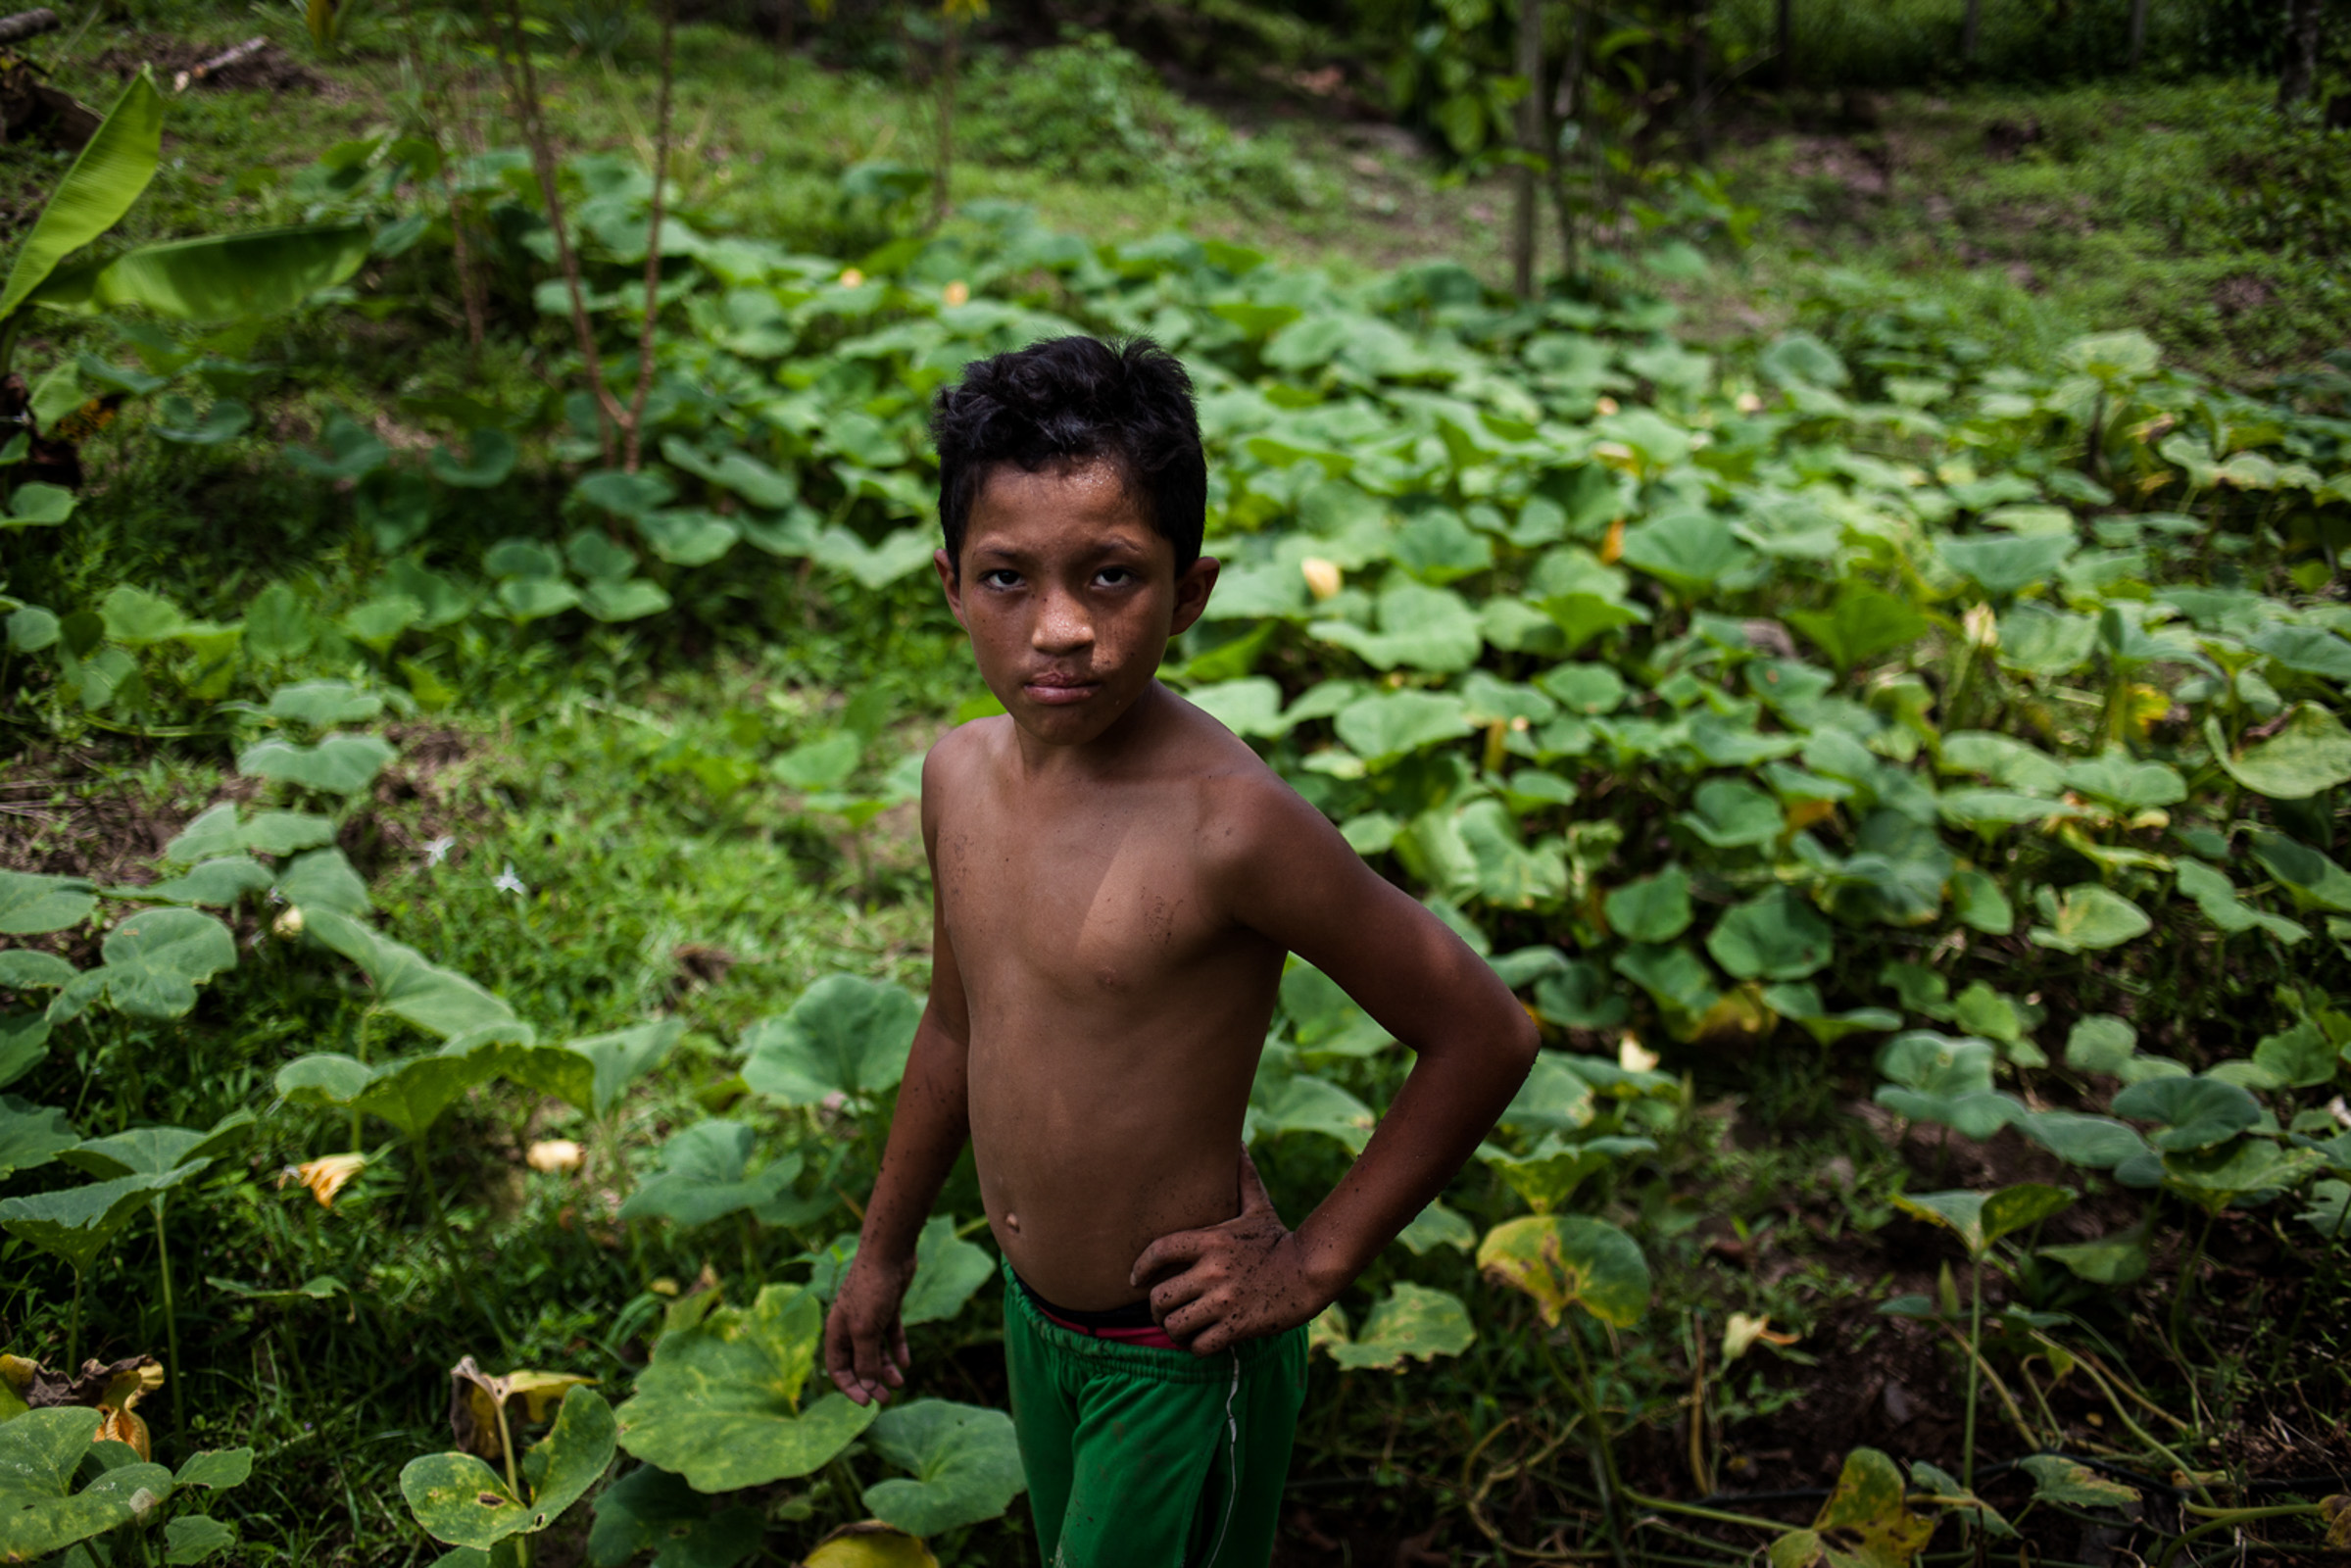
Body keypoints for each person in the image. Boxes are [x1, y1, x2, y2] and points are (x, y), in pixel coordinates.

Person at [822, 334, 1540, 1568]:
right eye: (1007, 579)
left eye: (1110, 576)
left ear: (1189, 591)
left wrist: (1314, 1258)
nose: (1059, 628)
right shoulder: (956, 775)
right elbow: (955, 1026)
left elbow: (1483, 1030)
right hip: (1032, 1322)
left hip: (1176, 1351)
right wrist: (881, 1252)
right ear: (948, 582)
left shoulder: (1229, 823)